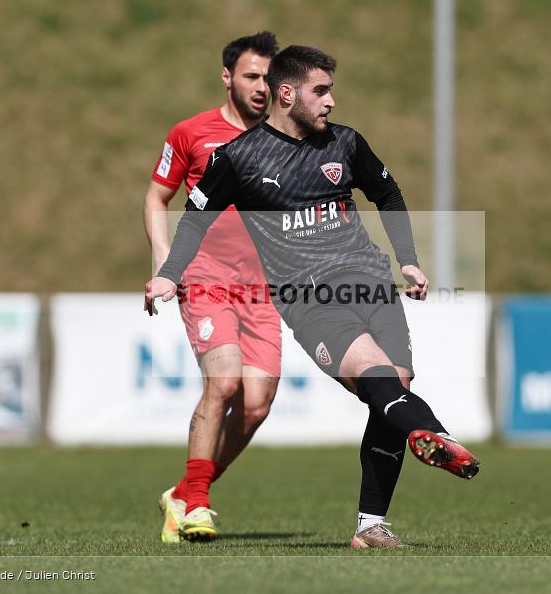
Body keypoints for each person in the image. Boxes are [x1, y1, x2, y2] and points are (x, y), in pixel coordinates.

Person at [145, 45, 481, 549]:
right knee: (384, 385)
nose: (331, 101)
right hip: (310, 300)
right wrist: (169, 273)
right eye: (320, 91)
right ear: (287, 94)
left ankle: (371, 526)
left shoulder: (345, 143)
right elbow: (193, 222)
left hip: (371, 284)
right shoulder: (237, 158)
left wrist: (407, 257)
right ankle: (435, 434)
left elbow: (387, 194)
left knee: (394, 390)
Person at [142, 32, 281, 544]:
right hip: (204, 276)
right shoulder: (191, 133)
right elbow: (158, 198)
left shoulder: (289, 140)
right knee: (222, 383)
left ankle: (181, 493)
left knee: (256, 405)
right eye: (251, 76)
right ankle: (198, 503)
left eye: (270, 77)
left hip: (261, 287)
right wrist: (164, 261)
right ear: (228, 78)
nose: (262, 87)